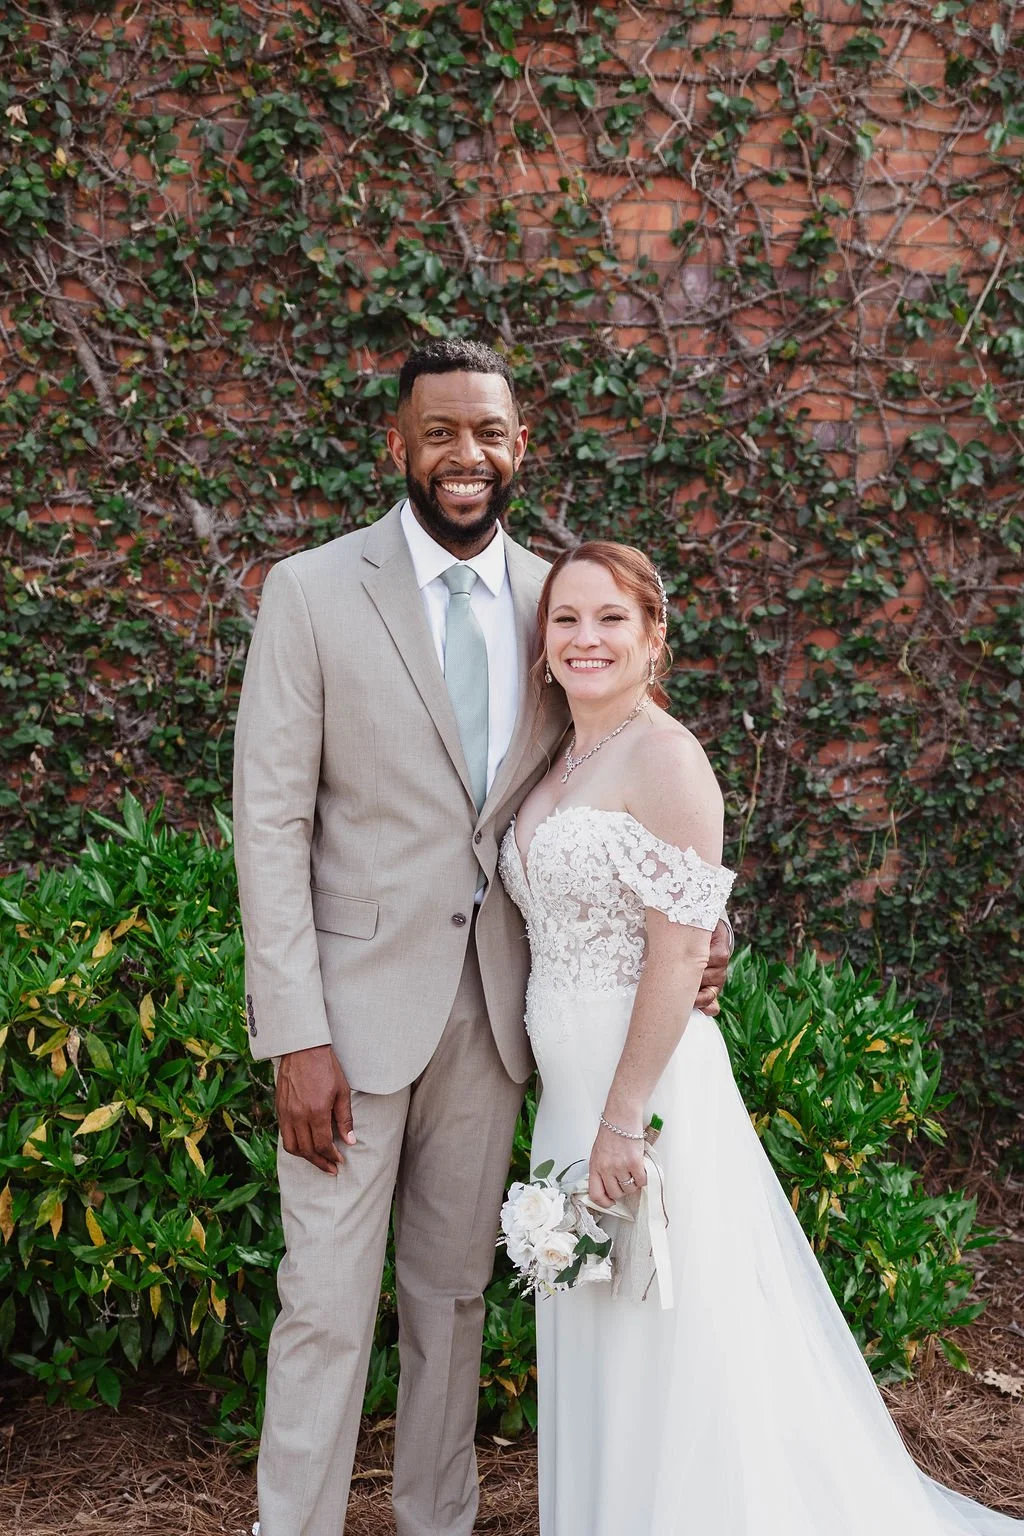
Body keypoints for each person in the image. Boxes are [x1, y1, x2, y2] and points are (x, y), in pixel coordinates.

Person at [232, 339, 734, 1536]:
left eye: (490, 435)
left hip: (502, 1017)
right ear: (397, 447)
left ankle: (437, 1522)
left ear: (521, 448)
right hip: (348, 1021)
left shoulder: (554, 601)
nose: (468, 457)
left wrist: (701, 930)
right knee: (323, 1302)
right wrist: (293, 1030)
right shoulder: (311, 590)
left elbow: (632, 778)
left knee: (453, 1298)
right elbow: (269, 820)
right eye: (442, 433)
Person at [497, 539, 1022, 1536]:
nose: (585, 638)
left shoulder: (667, 761)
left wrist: (623, 1118)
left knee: (674, 1328)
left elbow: (675, 951)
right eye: (565, 619)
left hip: (642, 1098)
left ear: (654, 636)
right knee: (600, 1317)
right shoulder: (553, 756)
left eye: (610, 618)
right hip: (566, 1097)